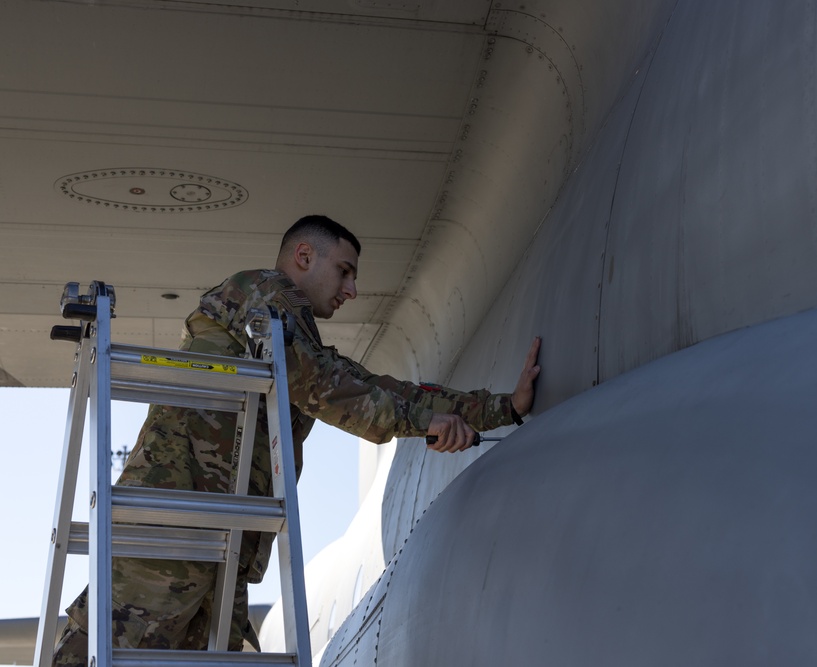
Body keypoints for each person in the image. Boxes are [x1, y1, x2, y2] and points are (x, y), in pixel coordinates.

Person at [52, 215, 541, 664]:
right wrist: (424, 425)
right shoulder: (262, 293)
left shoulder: (294, 342)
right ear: (305, 257)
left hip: (222, 541)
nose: (352, 289)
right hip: (175, 523)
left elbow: (384, 389)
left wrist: (505, 407)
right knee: (101, 650)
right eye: (345, 271)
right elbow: (322, 387)